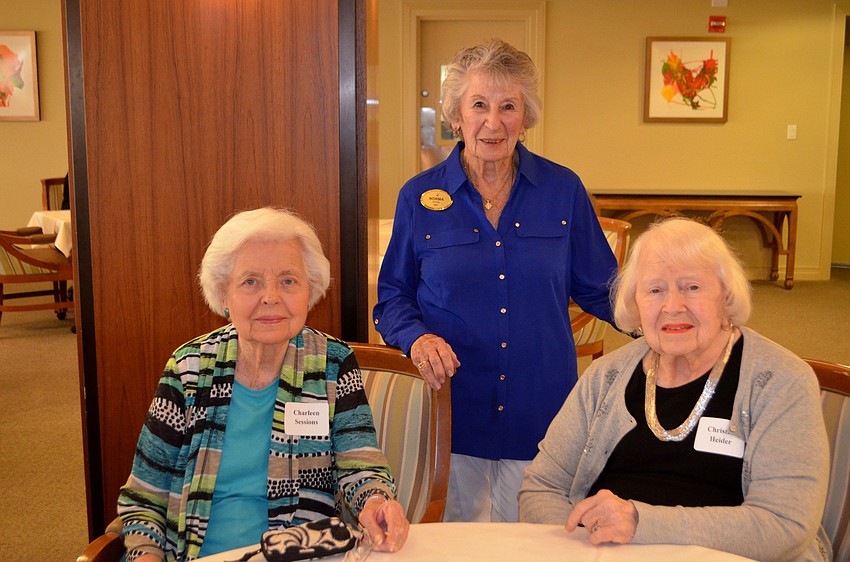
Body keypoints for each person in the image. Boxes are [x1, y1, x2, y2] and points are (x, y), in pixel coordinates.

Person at [373, 39, 618, 523]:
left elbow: (602, 286)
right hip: (454, 406)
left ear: (525, 117)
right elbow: (393, 297)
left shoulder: (562, 189)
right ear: (456, 116)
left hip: (541, 406)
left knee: (537, 542)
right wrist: (417, 337)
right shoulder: (419, 197)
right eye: (479, 105)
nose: (493, 121)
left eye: (509, 106)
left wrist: (661, 319)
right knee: (457, 540)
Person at [519, 217, 832, 561]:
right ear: (635, 304)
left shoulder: (781, 381)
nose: (672, 306)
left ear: (726, 296)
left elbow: (784, 525)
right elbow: (542, 487)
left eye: (692, 287)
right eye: (654, 290)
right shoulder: (605, 376)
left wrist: (641, 524)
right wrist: (580, 549)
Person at [118, 207, 410, 561]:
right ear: (224, 295)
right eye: (251, 281)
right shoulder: (189, 368)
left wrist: (376, 501)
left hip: (299, 555)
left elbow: (360, 464)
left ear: (310, 291)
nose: (271, 296)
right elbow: (144, 498)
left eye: (288, 280)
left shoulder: (332, 364)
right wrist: (146, 556)